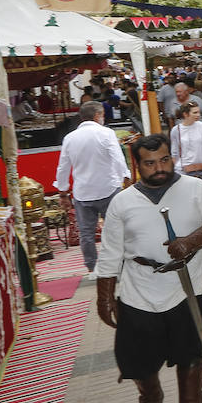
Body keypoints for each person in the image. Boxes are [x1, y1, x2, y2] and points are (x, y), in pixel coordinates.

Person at [94, 134, 202, 403]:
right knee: (137, 357)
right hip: (138, 288)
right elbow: (111, 251)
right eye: (150, 163)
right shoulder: (122, 202)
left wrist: (192, 240)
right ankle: (150, 402)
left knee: (192, 352)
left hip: (188, 283)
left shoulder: (196, 189)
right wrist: (104, 296)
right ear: (137, 164)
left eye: (165, 160)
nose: (159, 168)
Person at [55, 101, 131, 280]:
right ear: (98, 115)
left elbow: (63, 167)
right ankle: (117, 264)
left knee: (86, 234)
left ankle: (92, 268)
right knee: (114, 229)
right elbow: (118, 158)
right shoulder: (106, 133)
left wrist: (63, 192)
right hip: (108, 188)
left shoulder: (70, 138)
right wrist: (126, 177)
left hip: (83, 193)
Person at [169, 102, 202, 178]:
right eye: (195, 112)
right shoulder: (176, 130)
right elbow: (174, 152)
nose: (198, 115)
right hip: (183, 171)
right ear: (185, 114)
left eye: (199, 112)